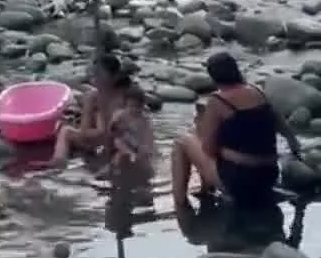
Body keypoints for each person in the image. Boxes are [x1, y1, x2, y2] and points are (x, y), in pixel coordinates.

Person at [172, 52, 298, 210]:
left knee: (182, 141)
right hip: (268, 175)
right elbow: (284, 129)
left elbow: (208, 150)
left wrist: (222, 150)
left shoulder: (217, 101)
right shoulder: (258, 92)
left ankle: (180, 205)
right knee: (204, 136)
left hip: (238, 181)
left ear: (213, 77)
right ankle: (205, 191)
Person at [52, 49, 132, 165]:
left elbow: (85, 133)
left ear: (114, 77)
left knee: (65, 131)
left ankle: (58, 161)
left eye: (99, 74)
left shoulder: (96, 96)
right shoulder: (124, 93)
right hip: (115, 141)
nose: (95, 78)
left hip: (115, 142)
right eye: (94, 74)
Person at [108, 80, 155, 168]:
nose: (134, 109)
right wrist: (117, 124)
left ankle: (136, 159)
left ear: (143, 106)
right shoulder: (120, 114)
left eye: (138, 107)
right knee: (118, 143)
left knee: (146, 153)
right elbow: (112, 129)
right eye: (131, 106)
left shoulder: (145, 119)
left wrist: (147, 148)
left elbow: (149, 135)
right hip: (123, 143)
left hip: (138, 144)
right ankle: (127, 156)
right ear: (125, 104)